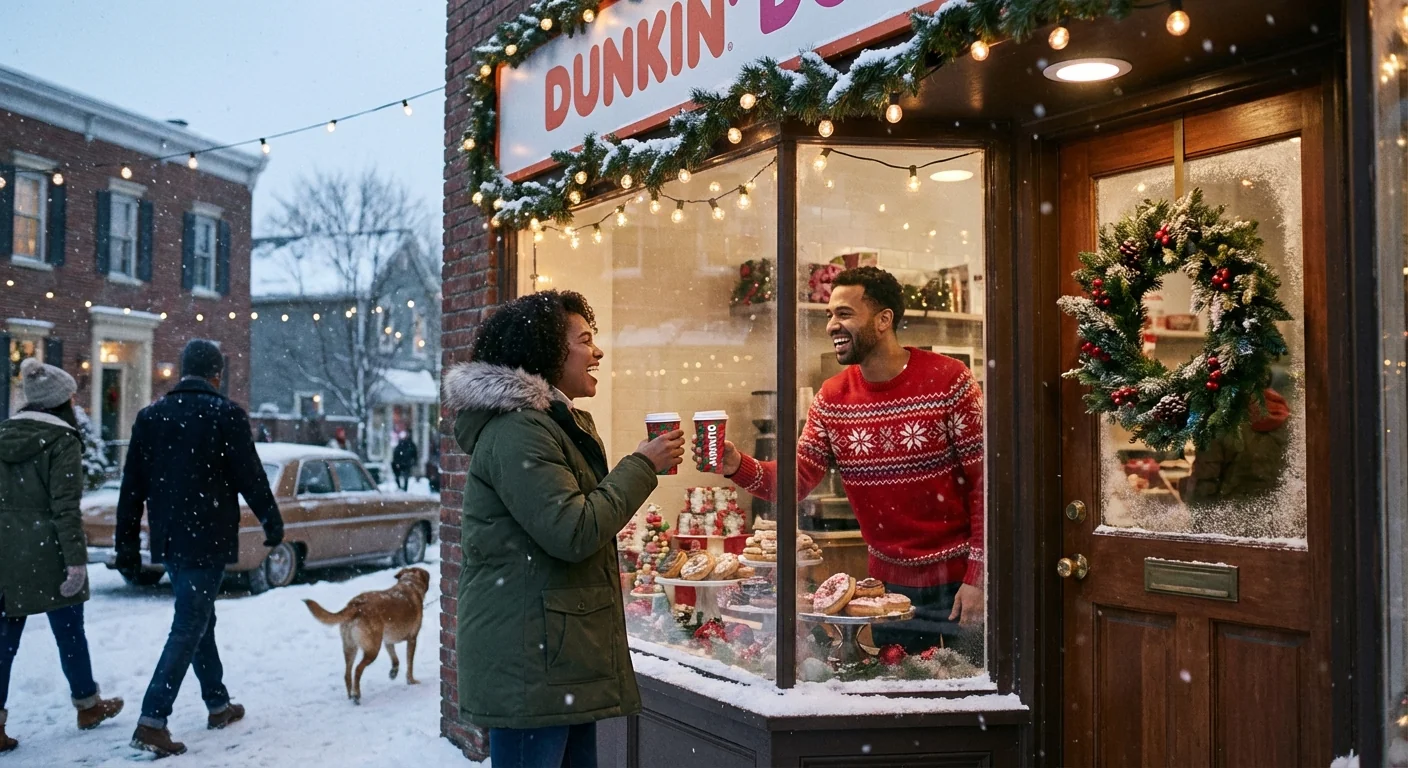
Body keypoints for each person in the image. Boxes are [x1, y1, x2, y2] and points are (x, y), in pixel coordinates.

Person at [443, 290, 683, 768]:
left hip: (556, 657)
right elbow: (573, 531)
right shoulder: (520, 430)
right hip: (532, 666)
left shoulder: (550, 424)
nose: (597, 352)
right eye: (585, 340)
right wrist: (641, 466)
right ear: (547, 353)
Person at [699, 267, 986, 658]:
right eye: (831, 314)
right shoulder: (833, 397)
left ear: (884, 320)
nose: (832, 324)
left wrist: (979, 578)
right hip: (883, 590)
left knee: (968, 698)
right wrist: (736, 465)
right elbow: (795, 480)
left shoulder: (950, 381)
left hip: (959, 585)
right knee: (899, 698)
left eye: (845, 314)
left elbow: (987, 486)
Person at [116, 340, 285, 758]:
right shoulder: (225, 415)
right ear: (217, 375)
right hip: (207, 537)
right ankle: (152, 720)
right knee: (190, 623)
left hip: (171, 538)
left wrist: (127, 548)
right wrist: (271, 519)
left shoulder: (150, 417)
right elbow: (250, 474)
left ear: (181, 372)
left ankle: (218, 703)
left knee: (199, 617)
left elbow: (131, 487)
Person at [0, 359, 124, 754]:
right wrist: (75, 562)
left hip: (5, 553)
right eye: (71, 397)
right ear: (59, 403)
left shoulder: (3, 435)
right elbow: (65, 508)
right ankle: (87, 705)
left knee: (4, 639)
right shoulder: (63, 441)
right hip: (49, 550)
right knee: (70, 631)